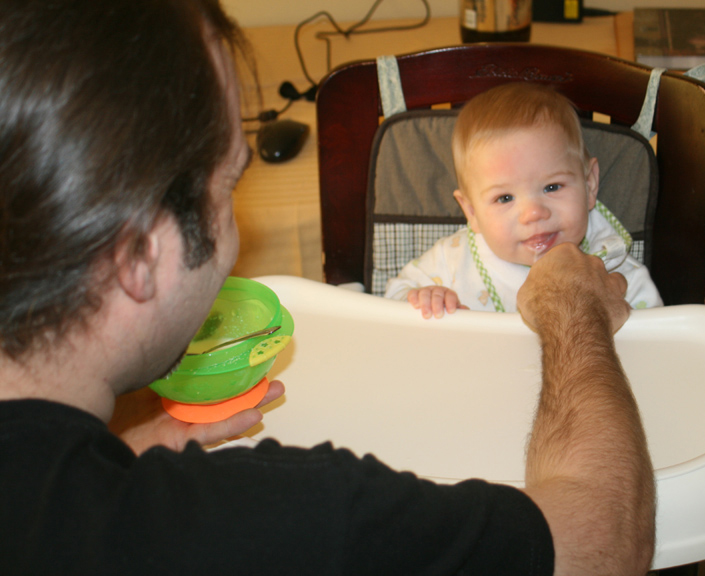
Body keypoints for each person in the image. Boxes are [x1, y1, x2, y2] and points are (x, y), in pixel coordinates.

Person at [0, 1, 654, 575]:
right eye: (230, 187)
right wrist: (573, 309)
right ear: (138, 254)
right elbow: (600, 546)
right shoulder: (299, 513)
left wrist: (117, 461)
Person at [385, 82, 663, 319]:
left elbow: (661, 339)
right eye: (504, 198)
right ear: (471, 211)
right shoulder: (451, 261)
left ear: (590, 185)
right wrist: (423, 299)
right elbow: (390, 302)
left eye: (552, 187)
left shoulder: (615, 272)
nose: (533, 213)